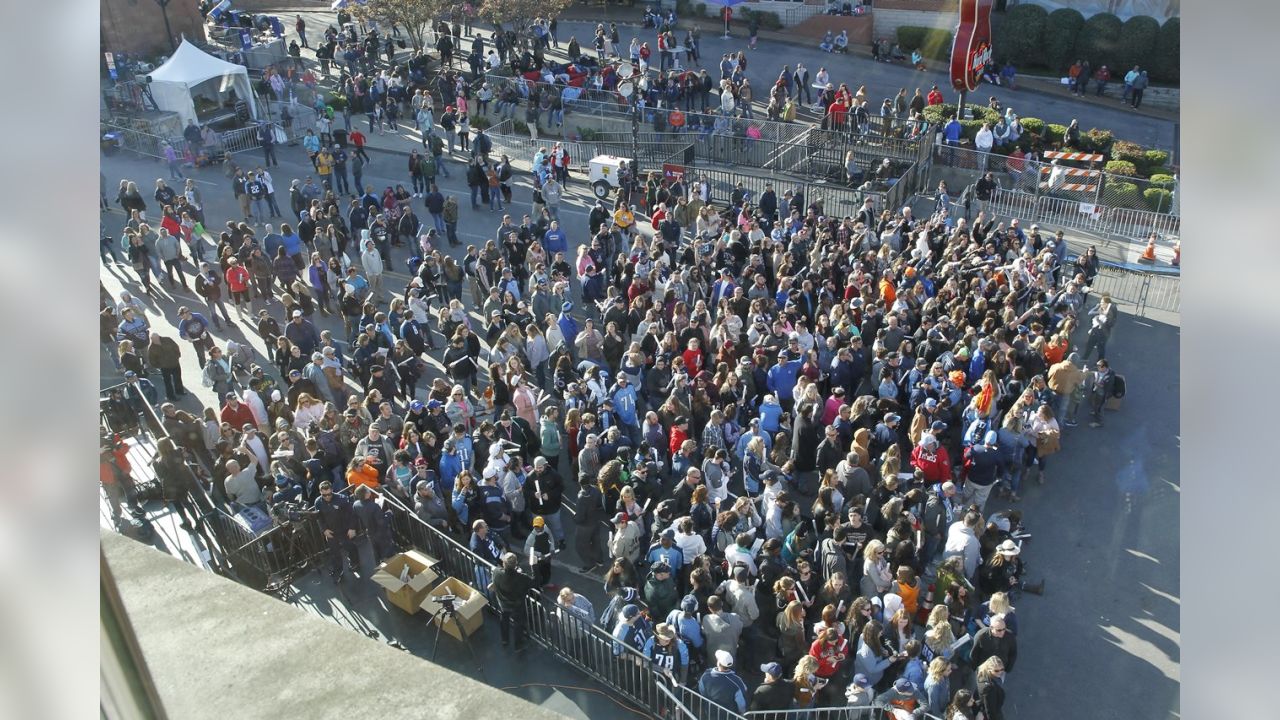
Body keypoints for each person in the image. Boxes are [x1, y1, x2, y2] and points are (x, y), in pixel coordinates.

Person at [489, 551, 535, 649]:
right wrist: (534, 566)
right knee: (518, 623)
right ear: (516, 564)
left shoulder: (496, 572)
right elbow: (535, 582)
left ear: (503, 563)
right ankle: (518, 645)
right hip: (517, 606)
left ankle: (504, 640)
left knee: (504, 619)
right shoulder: (521, 577)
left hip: (503, 604)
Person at [697, 650, 750, 714]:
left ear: (718, 663)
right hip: (729, 716)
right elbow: (742, 705)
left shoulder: (706, 675)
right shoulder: (737, 681)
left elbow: (702, 691)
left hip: (710, 712)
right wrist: (742, 714)